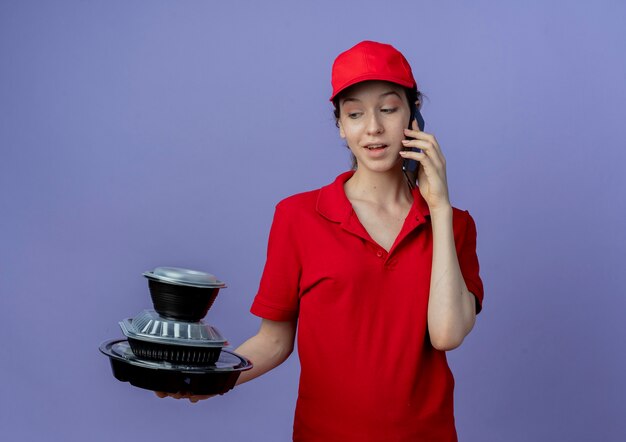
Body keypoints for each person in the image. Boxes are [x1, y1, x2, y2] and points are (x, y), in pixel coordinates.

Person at [158, 40, 484, 442]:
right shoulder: (298, 217)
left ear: (413, 117)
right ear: (340, 127)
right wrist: (207, 378)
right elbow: (274, 341)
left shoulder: (454, 225)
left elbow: (447, 334)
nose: (373, 128)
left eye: (388, 108)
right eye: (355, 113)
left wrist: (440, 208)